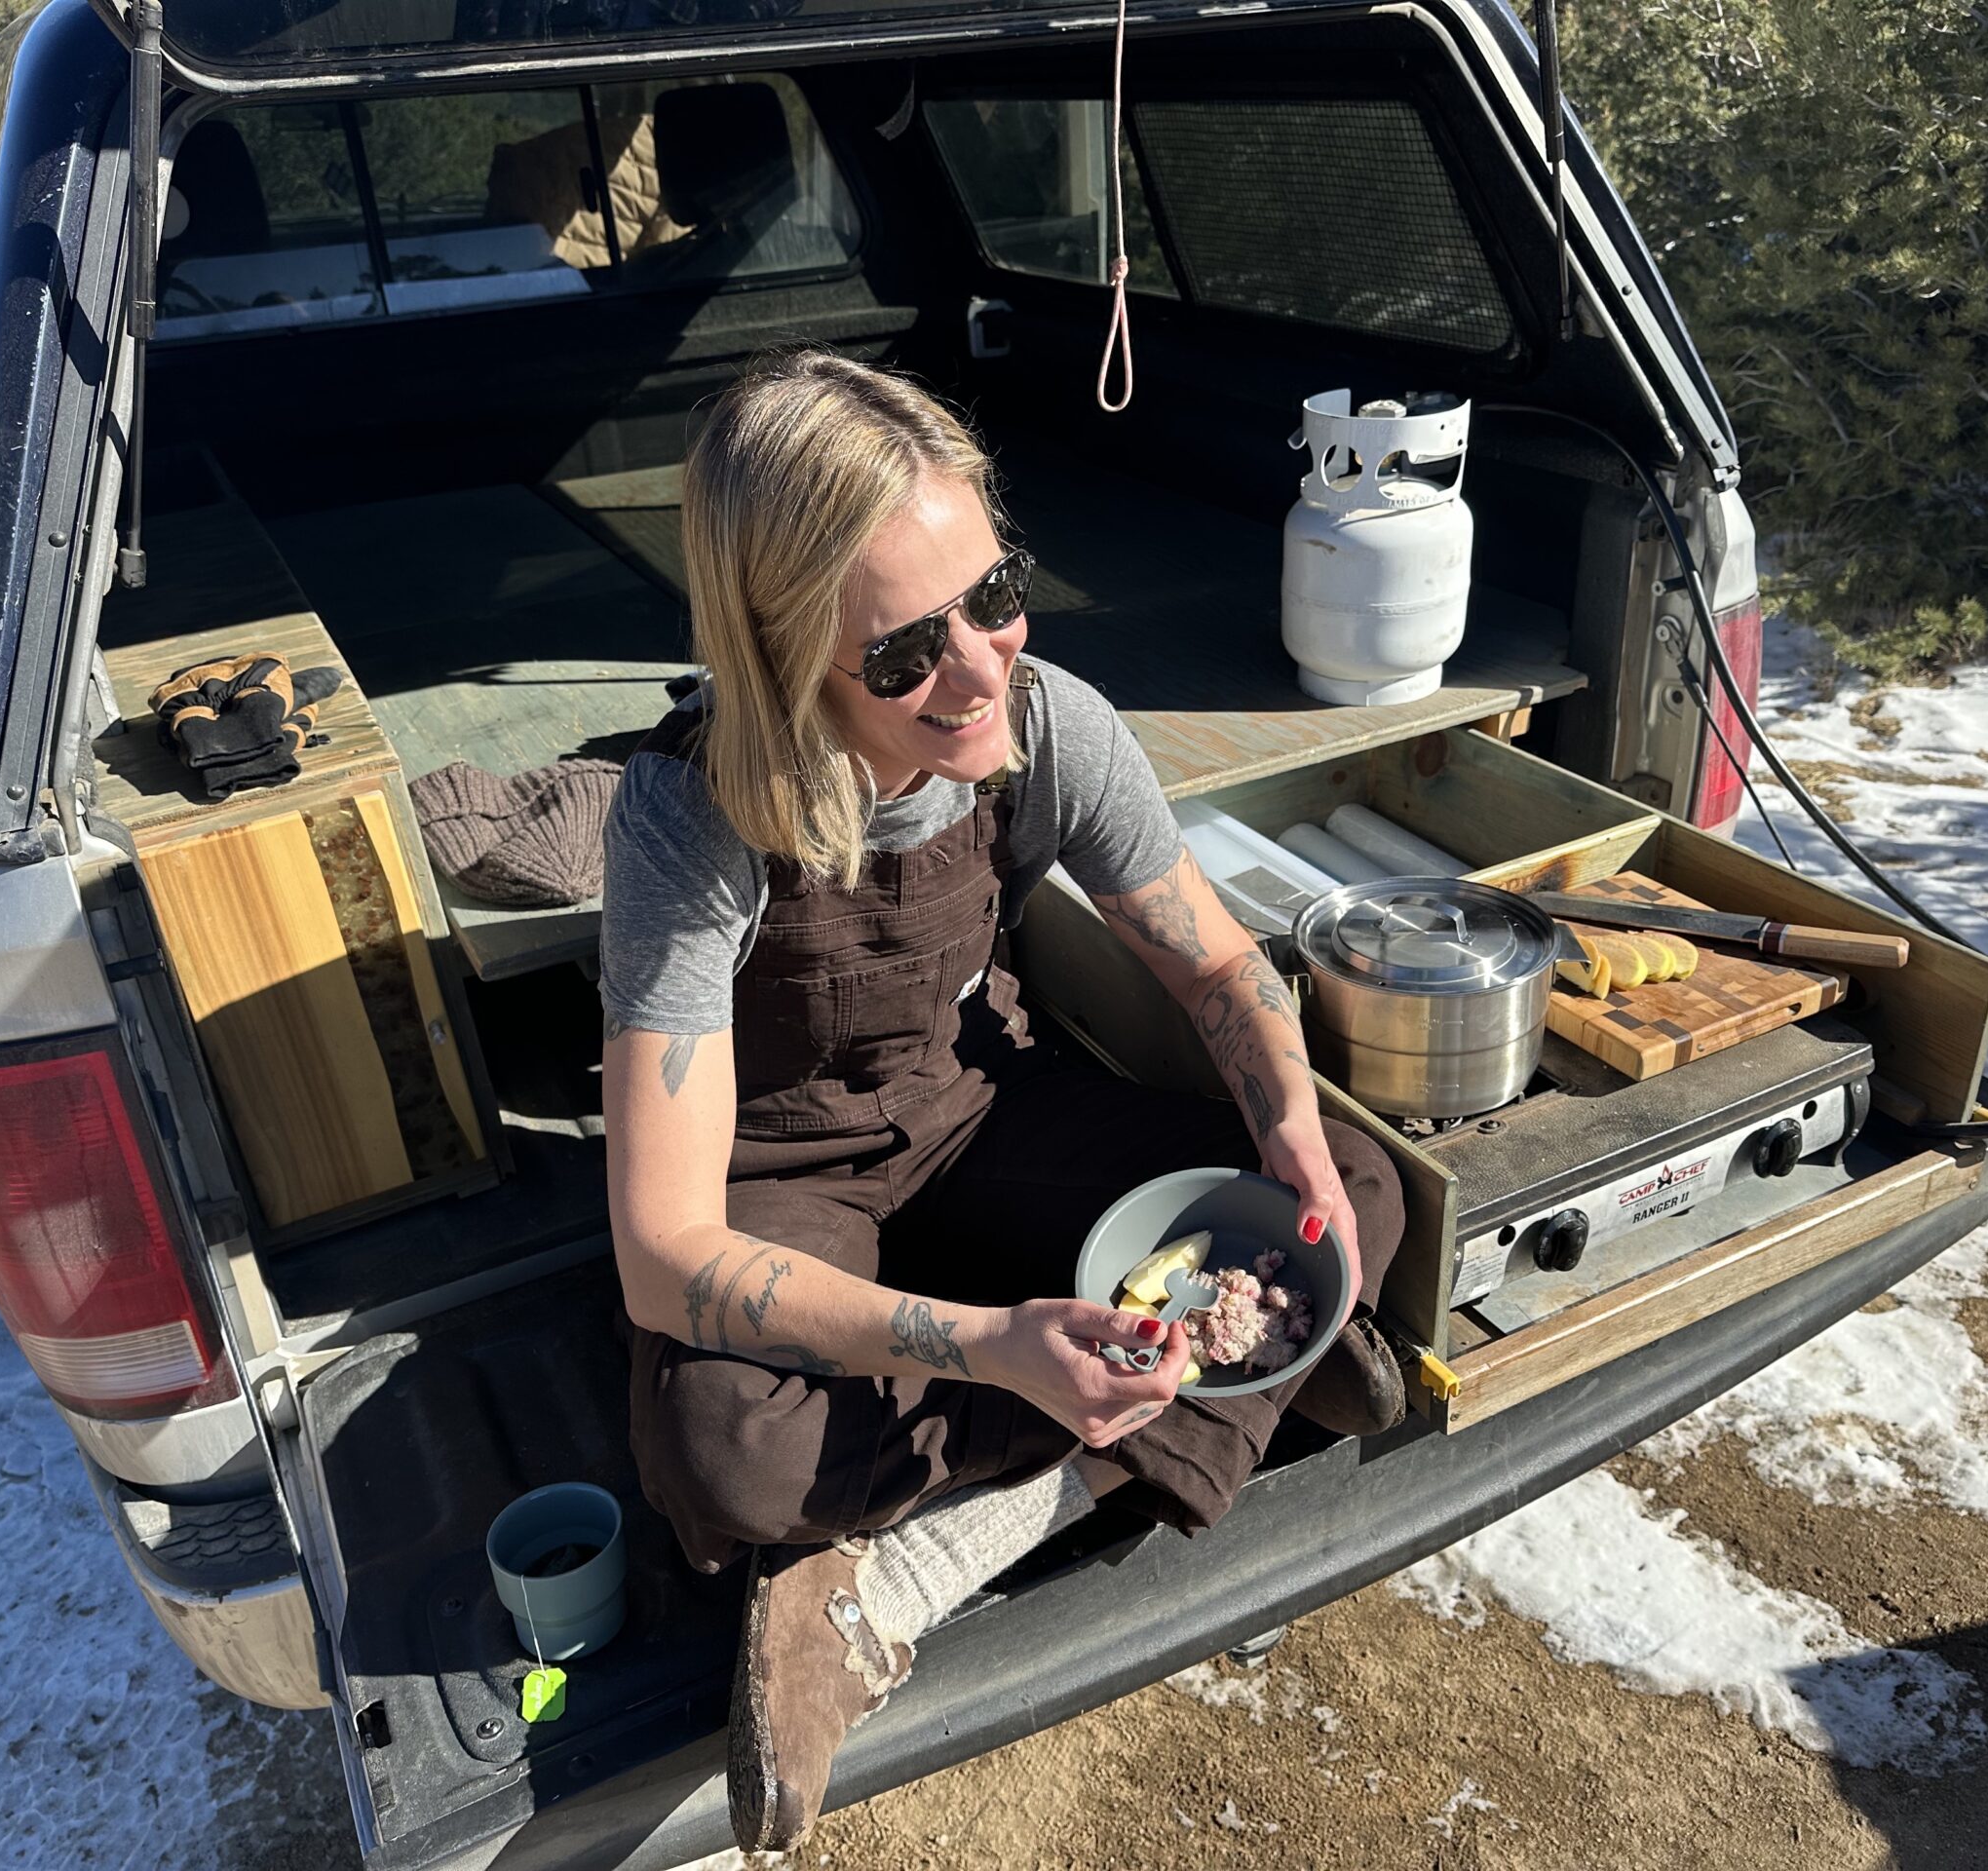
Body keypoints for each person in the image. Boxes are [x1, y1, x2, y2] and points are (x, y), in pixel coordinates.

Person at [598, 349, 1408, 1852]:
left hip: (979, 1111)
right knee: (725, 1451)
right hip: (783, 1176)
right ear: (784, 658)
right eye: (899, 655)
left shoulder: (1048, 721)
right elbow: (661, 1248)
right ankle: (1195, 1409)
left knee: (1354, 1180)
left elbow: (1225, 973)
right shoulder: (685, 820)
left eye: (996, 590)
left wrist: (1289, 1128)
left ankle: (932, 1545)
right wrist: (981, 1342)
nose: (976, 669)